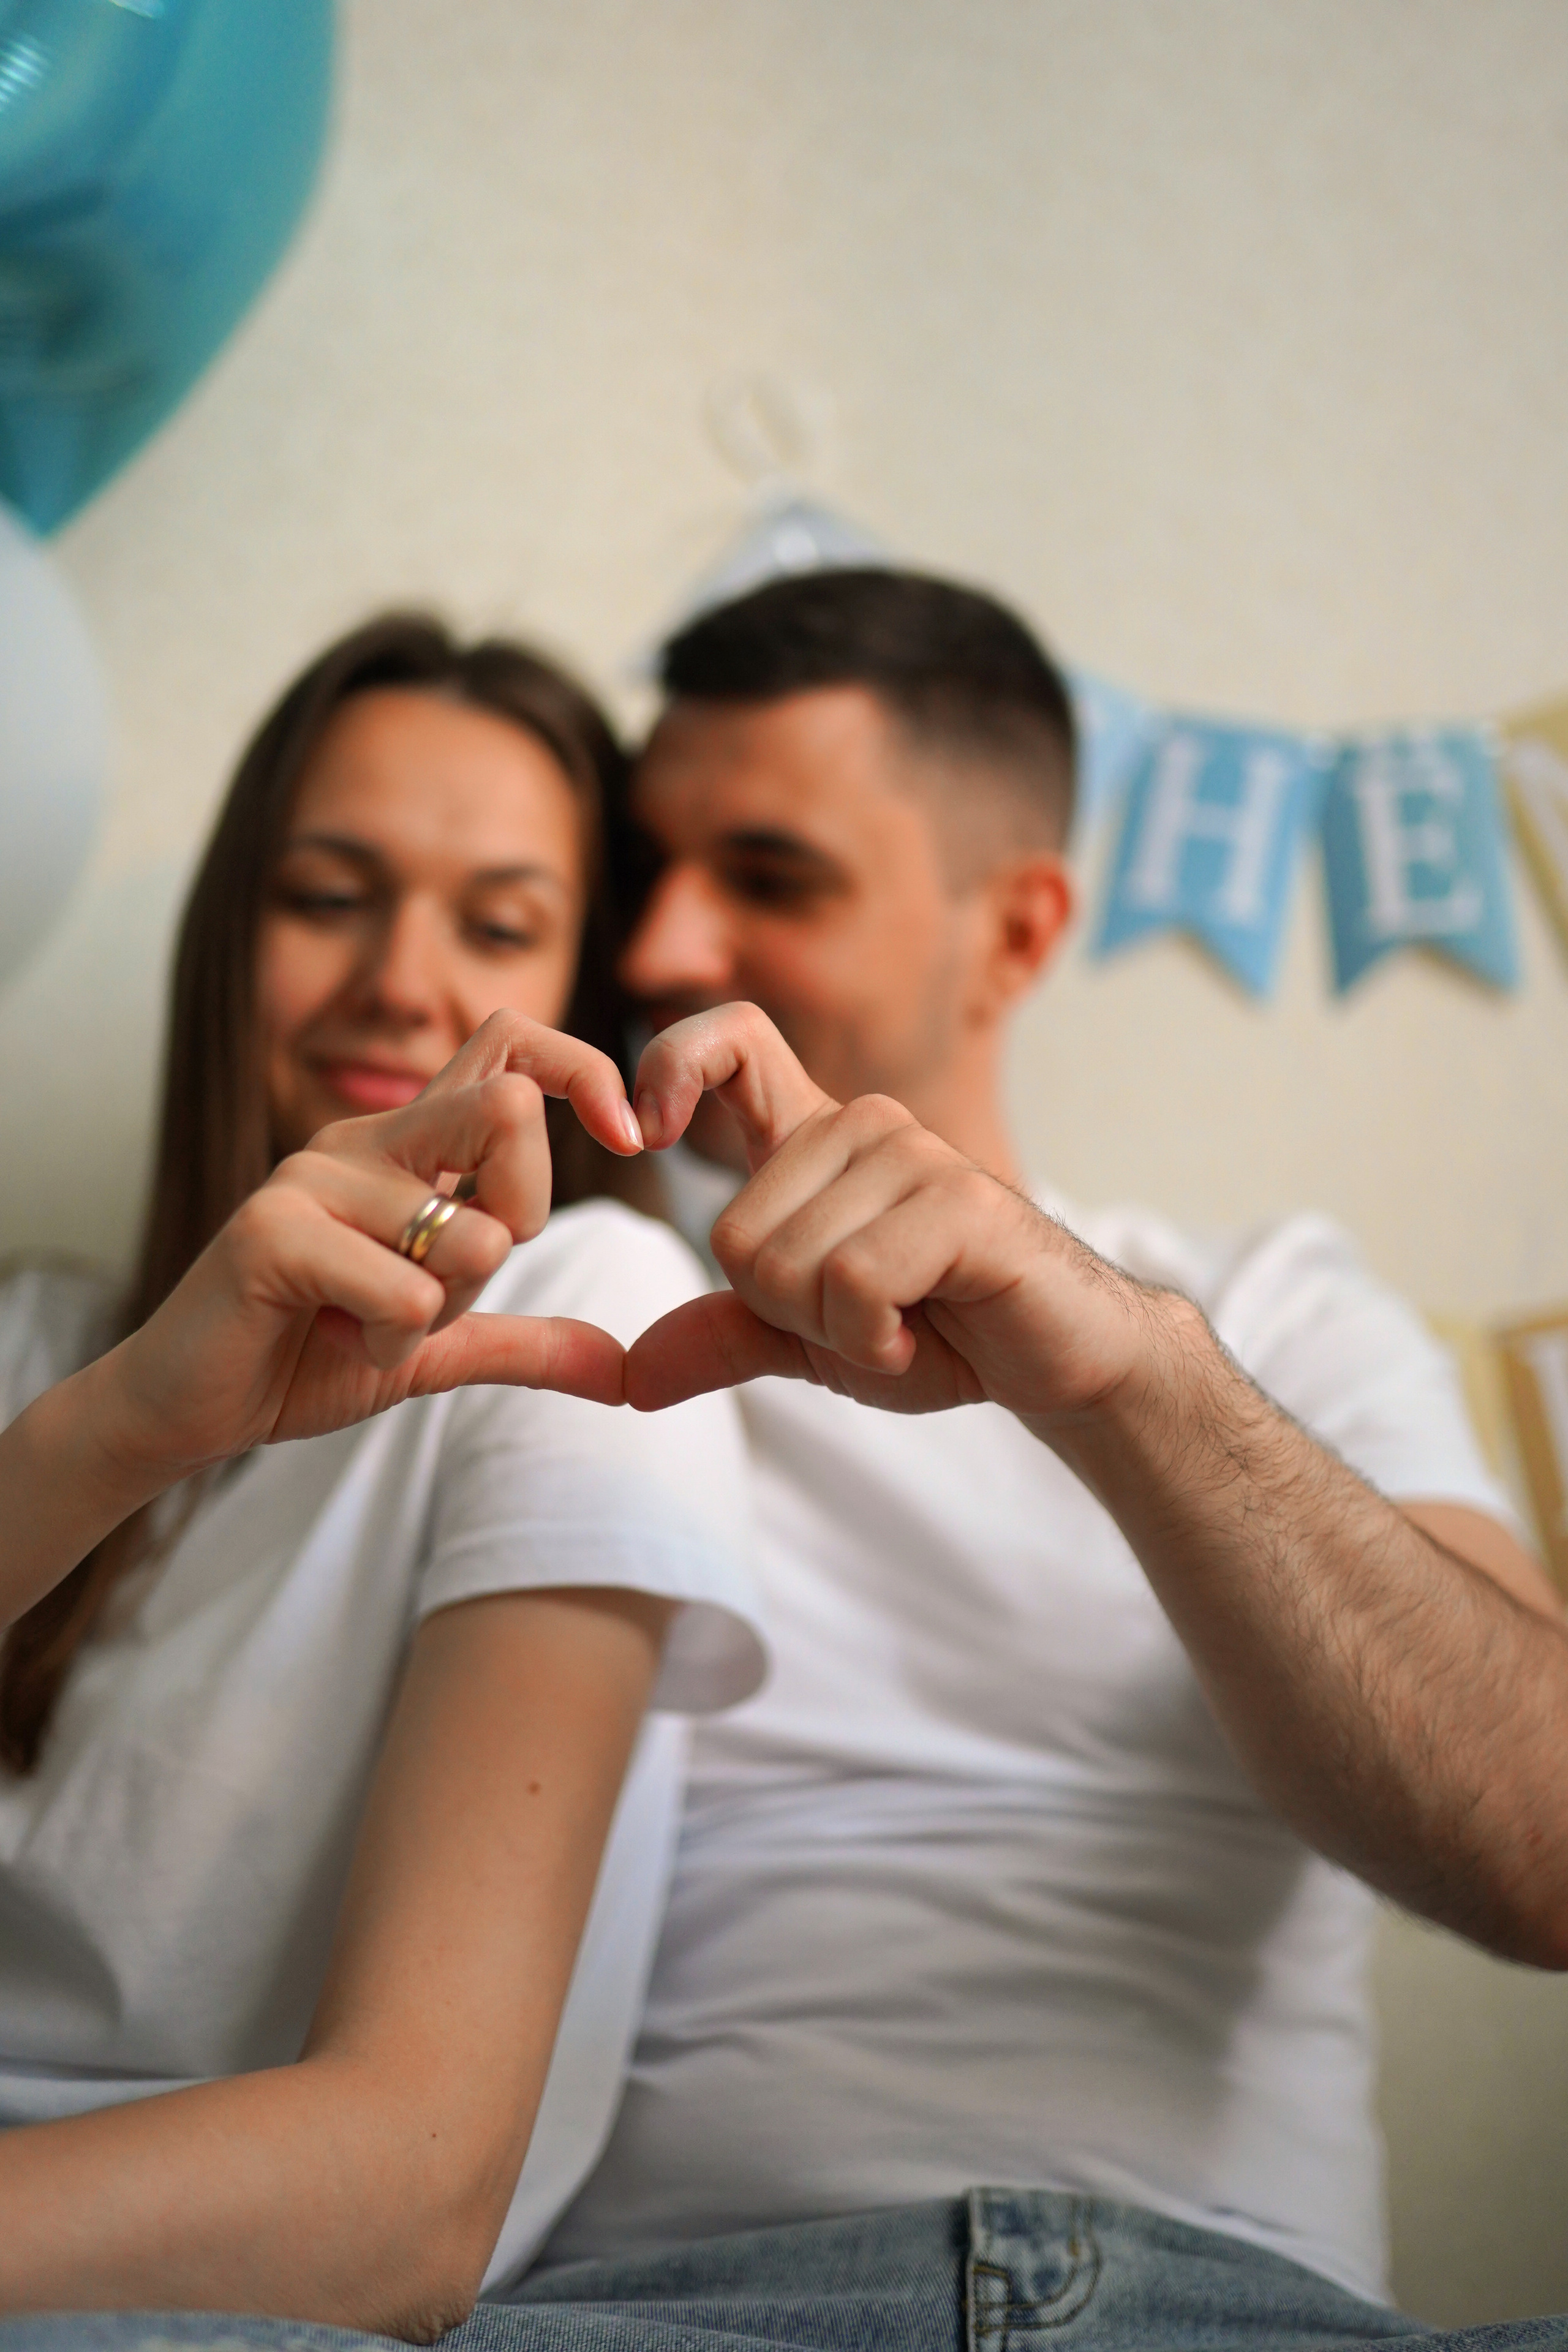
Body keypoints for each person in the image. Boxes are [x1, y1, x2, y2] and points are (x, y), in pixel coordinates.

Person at [526, 570, 1568, 2351]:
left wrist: (1127, 1383)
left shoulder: (1273, 1309)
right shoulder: (563, 1315)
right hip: (652, 2313)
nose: (665, 953)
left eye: (772, 877)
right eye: (653, 876)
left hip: (1243, 2305)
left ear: (1016, 933)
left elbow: (1544, 1850)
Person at [0, 616, 763, 2338]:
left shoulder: (597, 1320)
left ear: (578, 995)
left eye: (500, 926)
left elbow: (406, 2191)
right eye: (328, 894)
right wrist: (113, 1430)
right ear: (227, 933)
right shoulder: (37, 1340)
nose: (403, 981)